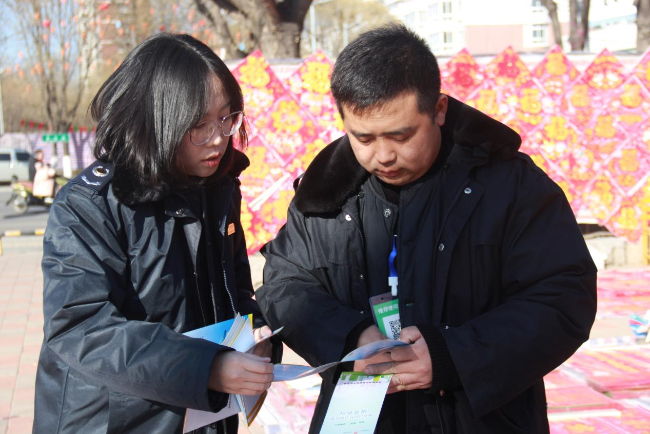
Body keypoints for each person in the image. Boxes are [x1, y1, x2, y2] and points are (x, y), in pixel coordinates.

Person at [256, 24, 597, 433]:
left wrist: (454, 356)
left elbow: (564, 297)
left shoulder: (510, 186)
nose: (383, 155)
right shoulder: (326, 192)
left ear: (438, 109)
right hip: (361, 417)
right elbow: (284, 283)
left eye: (400, 136)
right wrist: (350, 339)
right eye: (363, 138)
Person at [34, 33, 278, 434]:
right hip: (112, 419)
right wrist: (206, 368)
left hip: (205, 412)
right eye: (198, 125)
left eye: (226, 118)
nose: (219, 138)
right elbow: (80, 326)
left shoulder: (218, 187)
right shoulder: (89, 204)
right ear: (155, 121)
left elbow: (234, 287)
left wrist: (257, 333)